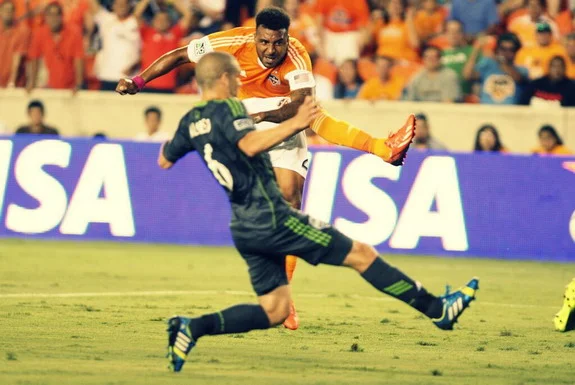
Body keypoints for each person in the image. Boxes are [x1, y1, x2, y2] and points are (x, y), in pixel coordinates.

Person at [159, 51, 479, 373]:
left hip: (243, 227)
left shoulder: (190, 121)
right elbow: (248, 145)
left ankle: (191, 327)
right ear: (224, 78)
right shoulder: (231, 108)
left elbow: (164, 159)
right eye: (237, 76)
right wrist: (297, 123)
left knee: (275, 310)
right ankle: (438, 309)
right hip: (273, 219)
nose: (241, 81)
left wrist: (199, 141)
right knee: (362, 255)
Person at [115, 7, 416, 330]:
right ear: (255, 35)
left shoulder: (297, 54)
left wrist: (263, 118)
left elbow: (299, 105)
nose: (271, 50)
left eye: (278, 43)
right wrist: (139, 80)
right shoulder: (233, 41)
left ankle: (285, 301)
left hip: (281, 113)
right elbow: (178, 56)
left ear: (287, 38)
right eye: (264, 42)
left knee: (291, 199)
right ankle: (381, 148)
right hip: (242, 114)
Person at [27, 2, 84, 93]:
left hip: (70, 87)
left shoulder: (74, 33)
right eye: (50, 15)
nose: (53, 19)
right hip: (48, 86)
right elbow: (34, 58)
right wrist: (32, 83)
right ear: (45, 17)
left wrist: (79, 84)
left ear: (62, 17)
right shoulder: (39, 33)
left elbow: (78, 60)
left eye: (56, 15)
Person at [463, 33, 528, 105]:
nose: (507, 52)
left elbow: (517, 78)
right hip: (487, 111)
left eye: (511, 49)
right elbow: (467, 75)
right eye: (503, 49)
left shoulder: (522, 70)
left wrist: (497, 58)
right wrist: (476, 49)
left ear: (516, 51)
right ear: (498, 49)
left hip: (510, 113)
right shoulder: (488, 64)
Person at [0, 0, 30, 88]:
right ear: (0, 11)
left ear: (14, 13)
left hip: (15, 83)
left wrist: (11, 82)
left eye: (11, 10)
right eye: (6, 10)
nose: (8, 12)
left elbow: (17, 59)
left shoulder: (22, 31)